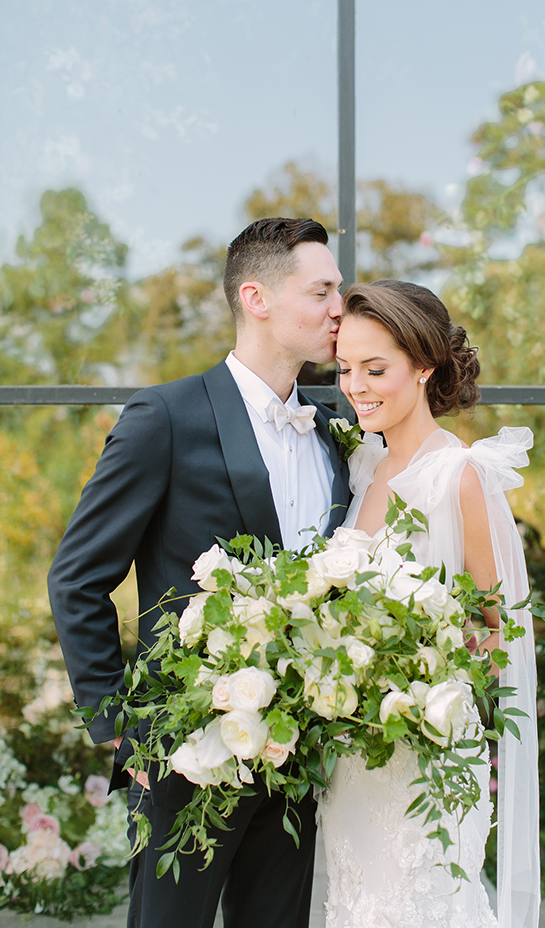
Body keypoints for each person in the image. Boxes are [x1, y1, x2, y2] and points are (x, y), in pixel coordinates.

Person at [48, 217, 351, 928]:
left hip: (304, 760)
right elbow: (78, 576)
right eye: (323, 291)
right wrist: (118, 726)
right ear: (258, 298)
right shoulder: (167, 416)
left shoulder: (336, 427)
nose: (340, 308)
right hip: (186, 758)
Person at [319, 280, 540, 928]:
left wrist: (423, 669)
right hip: (357, 759)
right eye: (346, 369)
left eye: (375, 368)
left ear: (423, 366)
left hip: (430, 758)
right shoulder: (363, 467)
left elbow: (505, 635)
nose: (355, 386)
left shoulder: (462, 475)